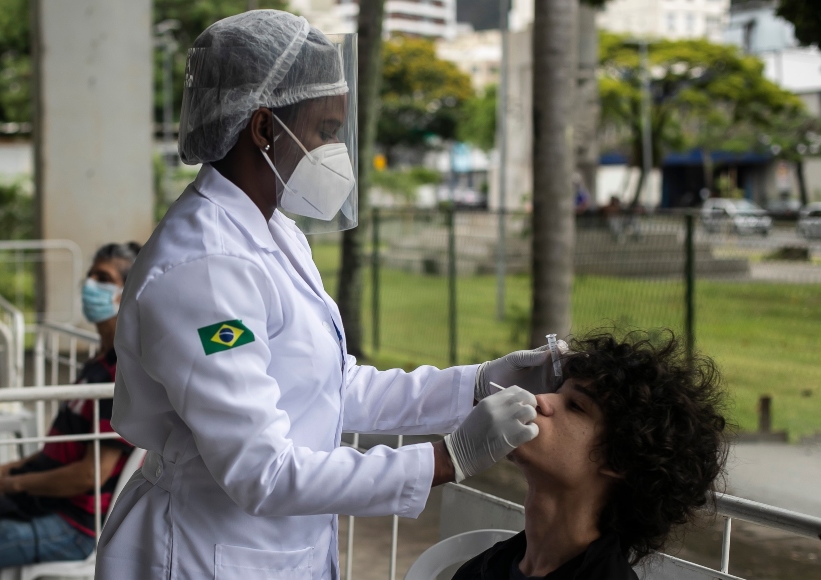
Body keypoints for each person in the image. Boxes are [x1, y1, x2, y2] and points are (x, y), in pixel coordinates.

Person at [95, 10, 557, 579]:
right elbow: (261, 471)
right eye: (326, 131)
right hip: (206, 552)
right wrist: (446, 459)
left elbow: (332, 387)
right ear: (263, 129)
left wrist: (481, 382)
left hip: (278, 548)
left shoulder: (273, 231)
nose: (336, 150)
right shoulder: (207, 270)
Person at [452, 330, 728, 580]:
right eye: (556, 391)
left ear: (620, 458)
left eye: (575, 405)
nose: (539, 399)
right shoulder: (483, 569)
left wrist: (445, 459)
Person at [0, 242, 141, 569]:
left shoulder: (122, 374)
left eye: (102, 278)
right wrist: (7, 471)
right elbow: (61, 448)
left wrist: (13, 483)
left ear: (129, 290)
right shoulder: (98, 364)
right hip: (45, 502)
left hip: (74, 526)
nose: (89, 286)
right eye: (89, 277)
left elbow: (91, 473)